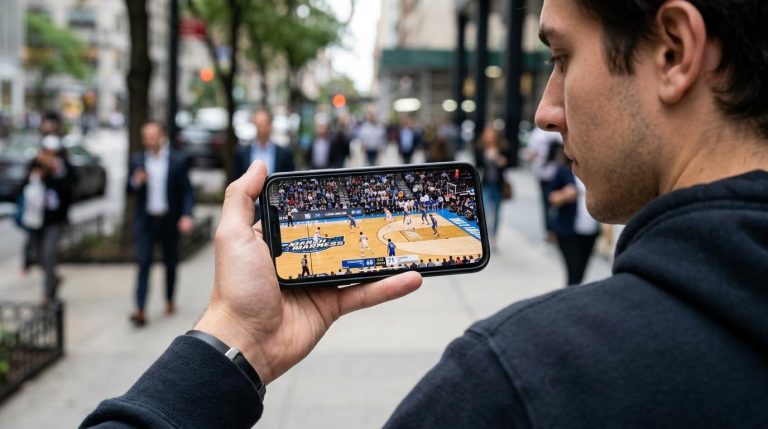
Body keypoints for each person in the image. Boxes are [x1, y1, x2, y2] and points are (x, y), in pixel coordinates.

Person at [83, 0, 768, 427]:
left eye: (562, 57)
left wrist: (230, 339)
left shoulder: (515, 382)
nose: (544, 108)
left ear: (674, 50)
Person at [127, 121, 195, 326]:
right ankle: (140, 308)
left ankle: (169, 298)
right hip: (146, 220)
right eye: (146, 136)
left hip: (169, 219)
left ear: (161, 136)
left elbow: (187, 191)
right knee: (144, 262)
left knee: (170, 262)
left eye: (153, 135)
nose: (149, 140)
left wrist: (186, 215)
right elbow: (128, 189)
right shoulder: (137, 160)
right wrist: (137, 181)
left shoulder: (176, 160)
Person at [22, 130, 75, 304]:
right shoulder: (34, 164)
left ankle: (47, 293)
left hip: (55, 219)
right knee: (39, 256)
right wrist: (38, 174)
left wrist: (55, 173)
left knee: (49, 252)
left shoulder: (64, 167)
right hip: (37, 218)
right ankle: (53, 278)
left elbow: (71, 189)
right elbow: (23, 187)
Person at [548, 143, 601, 285]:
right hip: (568, 231)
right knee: (573, 271)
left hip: (590, 231)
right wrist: (565, 195)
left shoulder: (595, 172)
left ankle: (572, 297)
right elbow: (550, 198)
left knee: (582, 272)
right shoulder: (563, 171)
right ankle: (570, 301)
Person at [526, 127, 562, 241]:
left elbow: (531, 154)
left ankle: (553, 231)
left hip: (554, 174)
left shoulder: (540, 134)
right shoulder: (541, 133)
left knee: (550, 204)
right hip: (547, 174)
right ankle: (552, 231)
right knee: (550, 204)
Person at [235, 108, 295, 177]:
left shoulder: (285, 154)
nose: (262, 130)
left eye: (265, 125)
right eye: (259, 125)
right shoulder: (242, 153)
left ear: (270, 125)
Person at [477, 126, 508, 241]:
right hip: (485, 184)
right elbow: (477, 165)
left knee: (497, 212)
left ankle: (494, 235)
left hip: (498, 184)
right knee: (484, 210)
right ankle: (485, 234)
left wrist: (502, 161)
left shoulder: (502, 148)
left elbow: (508, 163)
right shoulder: (481, 149)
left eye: (491, 134)